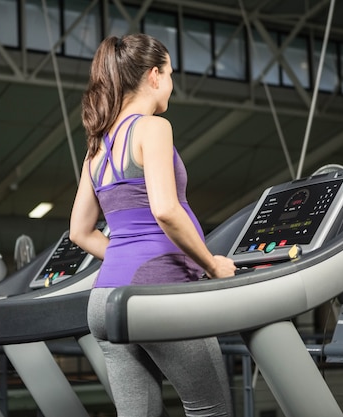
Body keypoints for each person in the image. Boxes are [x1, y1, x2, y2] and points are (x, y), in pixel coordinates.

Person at [69, 33, 235, 417]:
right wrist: (212, 265)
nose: (172, 86)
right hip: (156, 296)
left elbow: (79, 231)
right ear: (155, 75)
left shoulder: (96, 146)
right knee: (211, 409)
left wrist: (126, 261)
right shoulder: (153, 128)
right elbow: (166, 209)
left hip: (105, 299)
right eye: (172, 74)